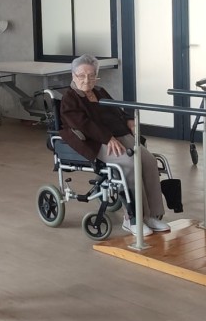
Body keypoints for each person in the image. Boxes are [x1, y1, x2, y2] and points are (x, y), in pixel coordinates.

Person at [58, 54, 171, 236]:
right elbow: (83, 124)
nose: (86, 80)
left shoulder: (100, 91)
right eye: (82, 75)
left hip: (120, 135)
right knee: (129, 164)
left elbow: (116, 110)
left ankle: (152, 215)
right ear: (73, 76)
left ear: (96, 76)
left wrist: (128, 120)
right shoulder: (70, 98)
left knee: (150, 161)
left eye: (91, 75)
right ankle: (132, 219)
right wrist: (107, 138)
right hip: (97, 141)